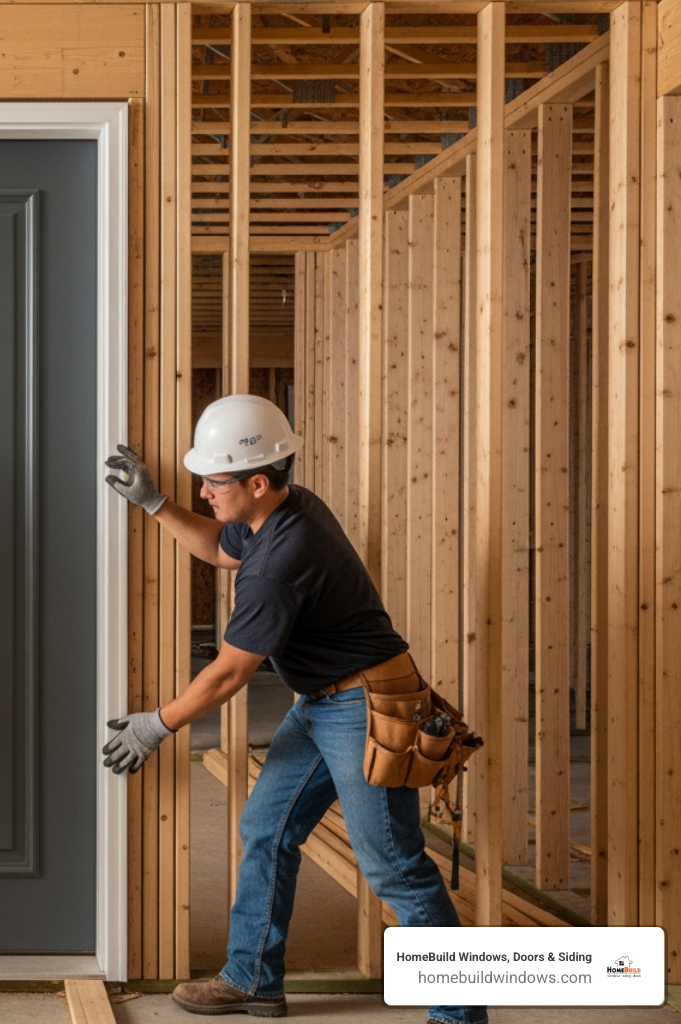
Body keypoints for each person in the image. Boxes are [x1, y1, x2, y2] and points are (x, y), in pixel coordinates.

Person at [101, 394, 485, 1024]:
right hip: (322, 700)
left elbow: (227, 673)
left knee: (396, 869)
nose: (202, 492)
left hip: (367, 708)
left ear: (257, 481)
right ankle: (254, 979)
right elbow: (221, 548)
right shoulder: (283, 509)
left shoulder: (280, 562)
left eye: (213, 481)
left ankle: (458, 1016)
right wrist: (154, 504)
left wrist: (156, 724)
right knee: (267, 830)